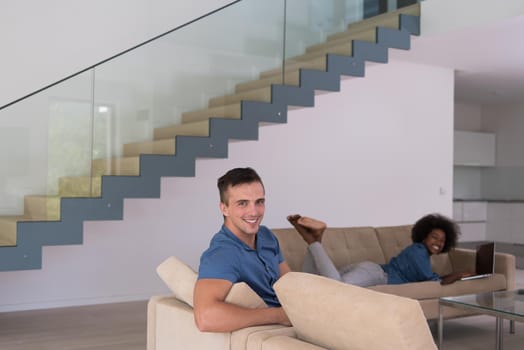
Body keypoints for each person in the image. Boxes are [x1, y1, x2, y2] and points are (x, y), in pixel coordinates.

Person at [193, 167, 291, 332]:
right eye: (242, 203)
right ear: (224, 208)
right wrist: (279, 316)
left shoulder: (266, 235)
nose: (254, 212)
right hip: (281, 324)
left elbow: (289, 281)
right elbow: (205, 317)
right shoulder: (221, 254)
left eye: (259, 202)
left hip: (299, 316)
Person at [287, 213, 473, 286]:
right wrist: (458, 275)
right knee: (339, 287)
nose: (438, 243)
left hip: (368, 269)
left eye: (442, 241)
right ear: (424, 236)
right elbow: (434, 282)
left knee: (311, 282)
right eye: (434, 237)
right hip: (377, 275)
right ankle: (313, 239)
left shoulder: (419, 253)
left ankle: (313, 239)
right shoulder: (418, 252)